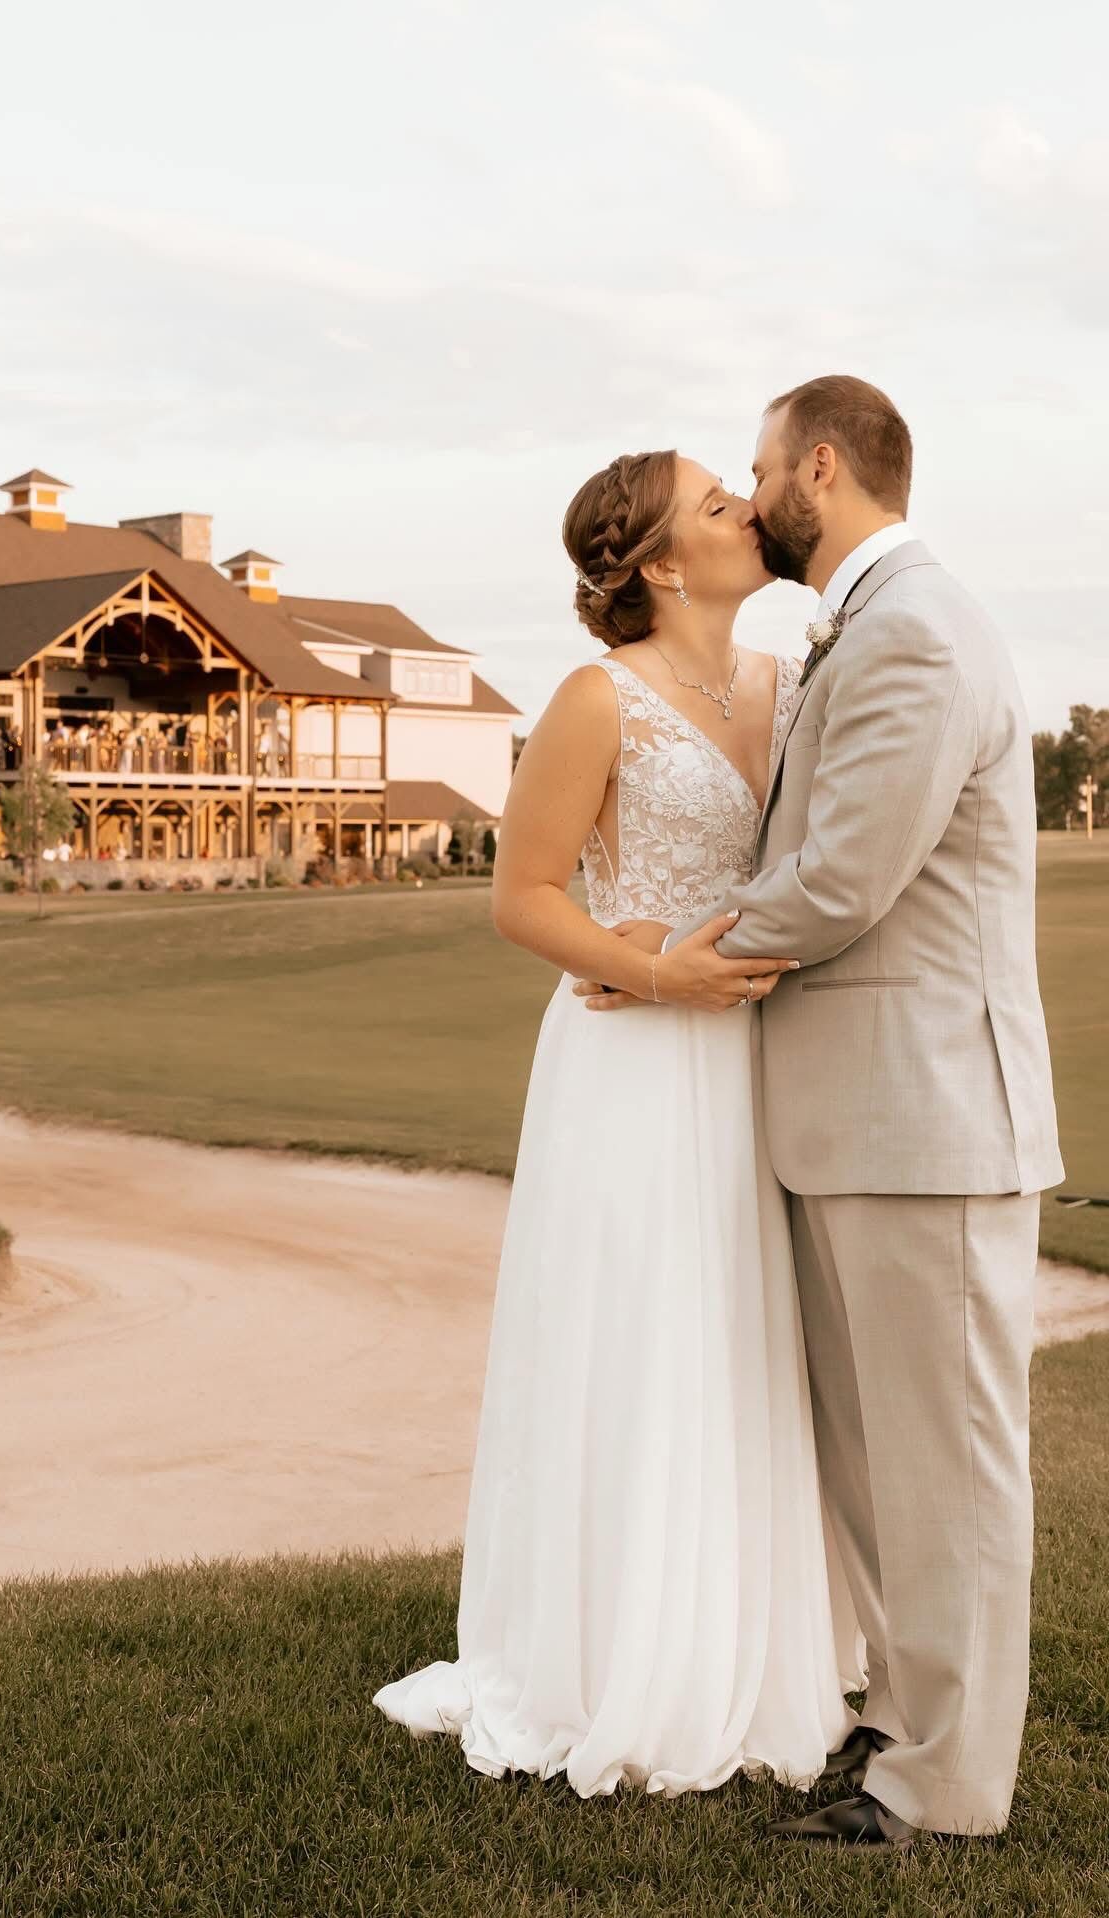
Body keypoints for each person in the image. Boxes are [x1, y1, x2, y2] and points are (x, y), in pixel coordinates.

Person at [578, 376, 1062, 1847]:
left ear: (824, 468)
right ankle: (902, 1726)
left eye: (761, 468)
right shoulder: (866, 625)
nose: (750, 489)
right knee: (882, 1466)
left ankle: (947, 1785)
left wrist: (664, 960)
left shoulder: (915, 629)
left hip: (927, 1117)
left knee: (951, 1467)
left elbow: (846, 878)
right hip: (861, 1121)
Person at [373, 448, 864, 1800]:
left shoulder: (798, 681)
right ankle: (616, 1651)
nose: (748, 514)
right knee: (648, 1327)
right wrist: (655, 970)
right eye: (718, 505)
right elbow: (523, 896)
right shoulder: (597, 700)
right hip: (636, 1061)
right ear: (657, 561)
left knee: (753, 1334)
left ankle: (758, 1636)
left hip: (769, 1054)